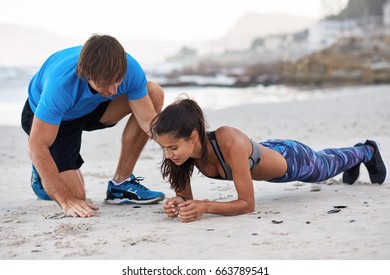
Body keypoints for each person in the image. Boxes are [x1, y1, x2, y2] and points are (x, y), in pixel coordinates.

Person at [150, 97, 388, 223]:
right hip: (263, 152)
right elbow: (187, 199)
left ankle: (366, 151)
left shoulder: (228, 140)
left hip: (291, 159)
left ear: (193, 137)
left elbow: (247, 204)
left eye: (172, 147)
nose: (168, 154)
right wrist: (178, 202)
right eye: (164, 148)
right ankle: (356, 157)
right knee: (328, 159)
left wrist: (206, 206)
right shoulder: (179, 155)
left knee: (326, 167)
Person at [21, 34, 165, 218]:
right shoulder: (59, 85)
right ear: (86, 74)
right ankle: (41, 176)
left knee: (153, 93)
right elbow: (36, 145)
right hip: (54, 120)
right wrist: (65, 200)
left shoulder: (129, 69)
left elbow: (148, 123)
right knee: (76, 197)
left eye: (118, 80)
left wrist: (178, 148)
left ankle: (121, 185)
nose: (114, 90)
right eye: (106, 84)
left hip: (92, 107)